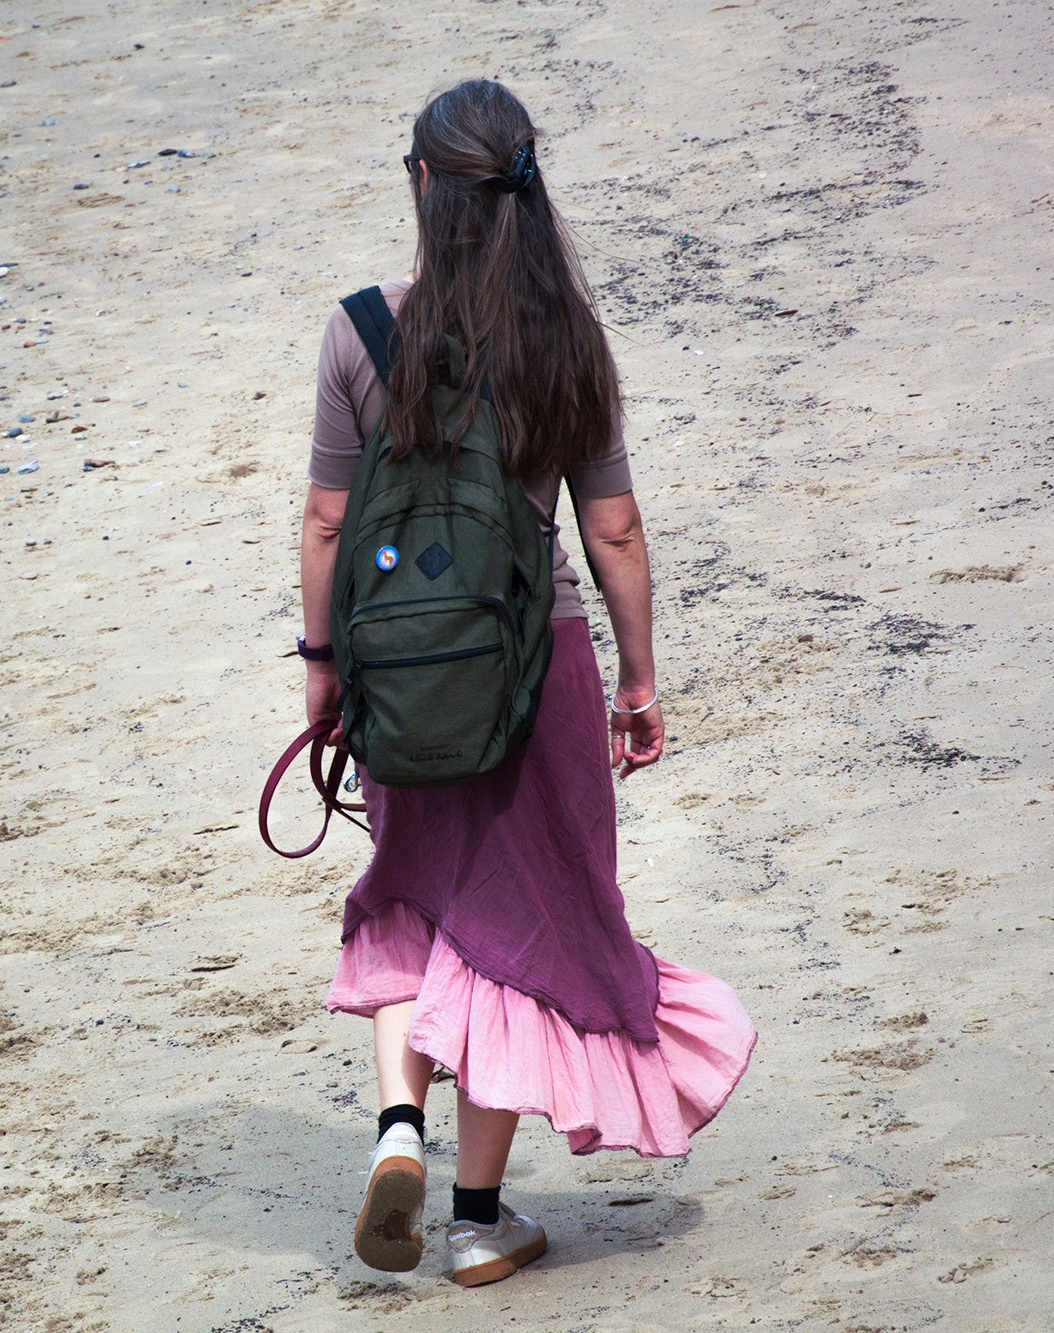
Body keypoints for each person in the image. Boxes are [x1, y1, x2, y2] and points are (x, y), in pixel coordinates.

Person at [298, 80, 756, 1287]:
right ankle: (473, 1217)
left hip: (398, 676)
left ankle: (396, 1125)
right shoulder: (563, 340)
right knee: (516, 929)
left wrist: (322, 670)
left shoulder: (359, 329)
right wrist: (638, 680)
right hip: (527, 669)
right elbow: (609, 532)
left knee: (409, 900)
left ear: (419, 188)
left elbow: (324, 520)